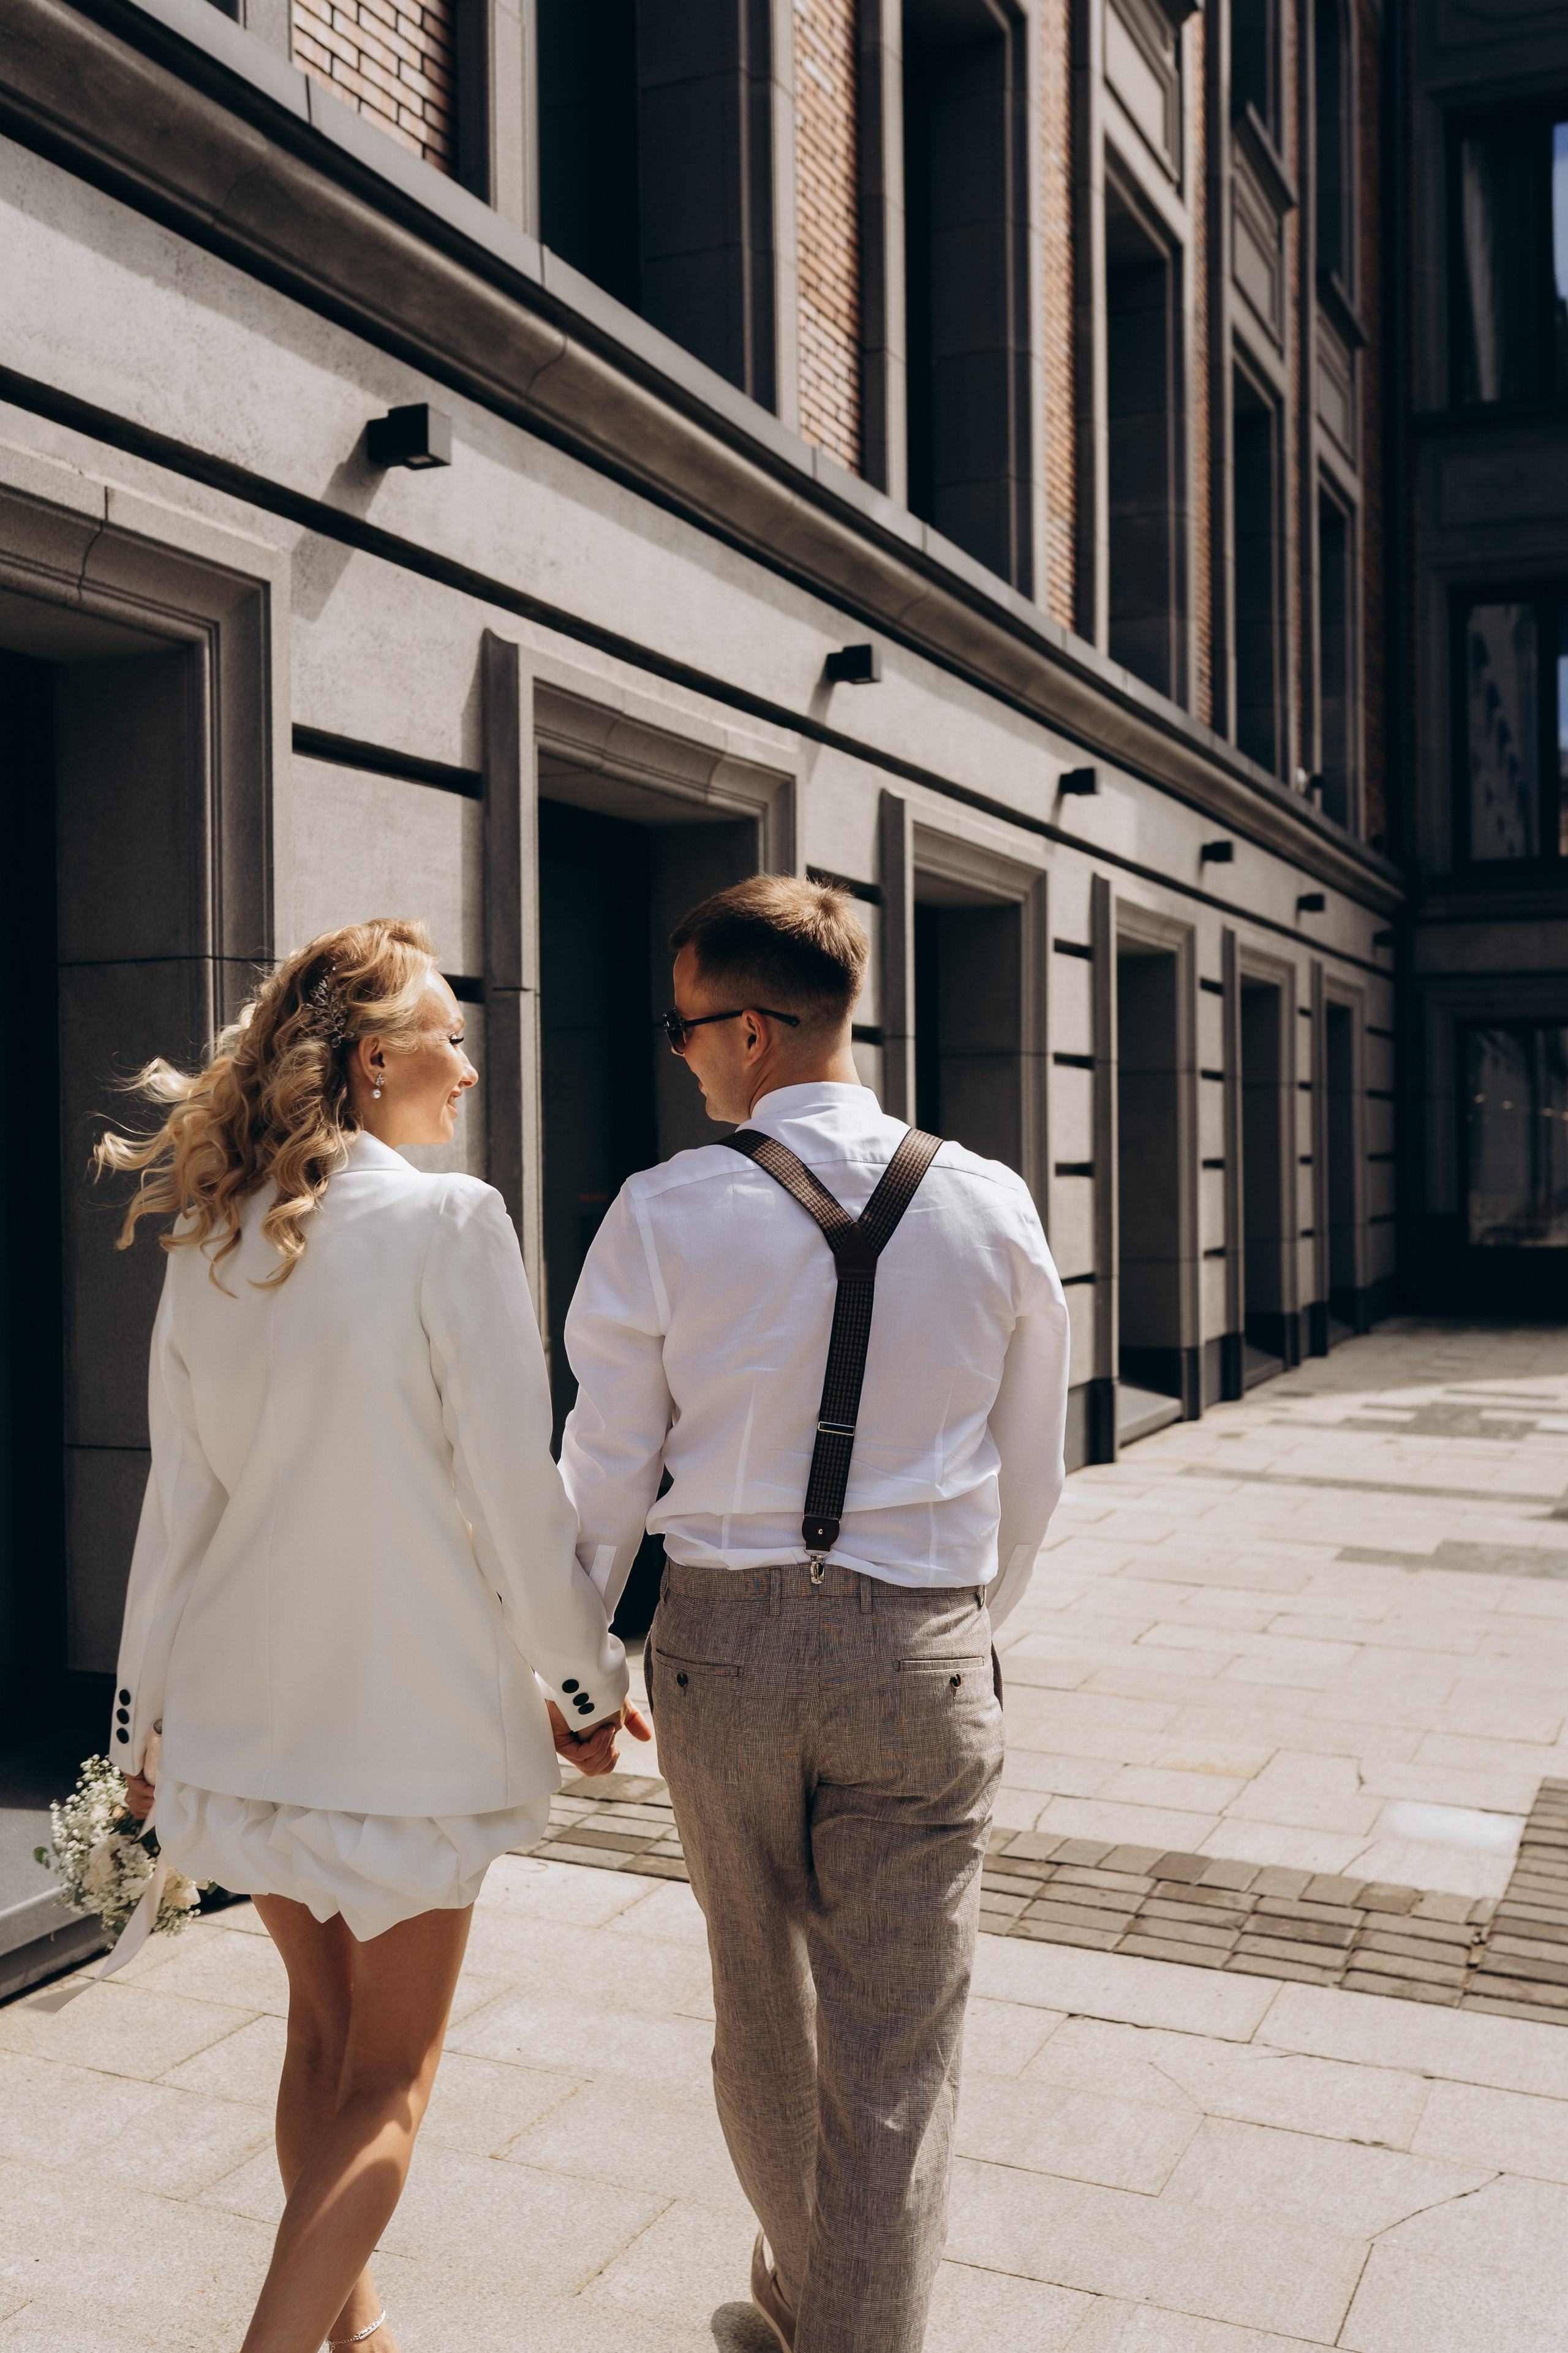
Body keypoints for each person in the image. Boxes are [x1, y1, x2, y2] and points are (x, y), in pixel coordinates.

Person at [100, 919, 641, 2353]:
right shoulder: (451, 1221)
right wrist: (585, 1685)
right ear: (373, 1058)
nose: (468, 1065)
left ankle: (362, 2334)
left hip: (241, 1712)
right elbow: (513, 1493)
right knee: (389, 2079)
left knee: (323, 2041)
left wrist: (135, 1725)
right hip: (407, 1724)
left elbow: (177, 1508)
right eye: (449, 1035)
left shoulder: (211, 1236)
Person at [559, 875, 1070, 2353]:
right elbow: (1030, 1474)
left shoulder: (662, 1212)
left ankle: (813, 2307)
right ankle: (827, 2312)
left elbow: (601, 1478)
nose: (681, 1056)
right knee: (895, 2053)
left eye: (684, 1029)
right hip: (921, 1644)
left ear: (753, 1032)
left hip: (720, 1650)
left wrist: (576, 1668)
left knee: (761, 2008)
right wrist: (954, 1621)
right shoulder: (990, 1202)